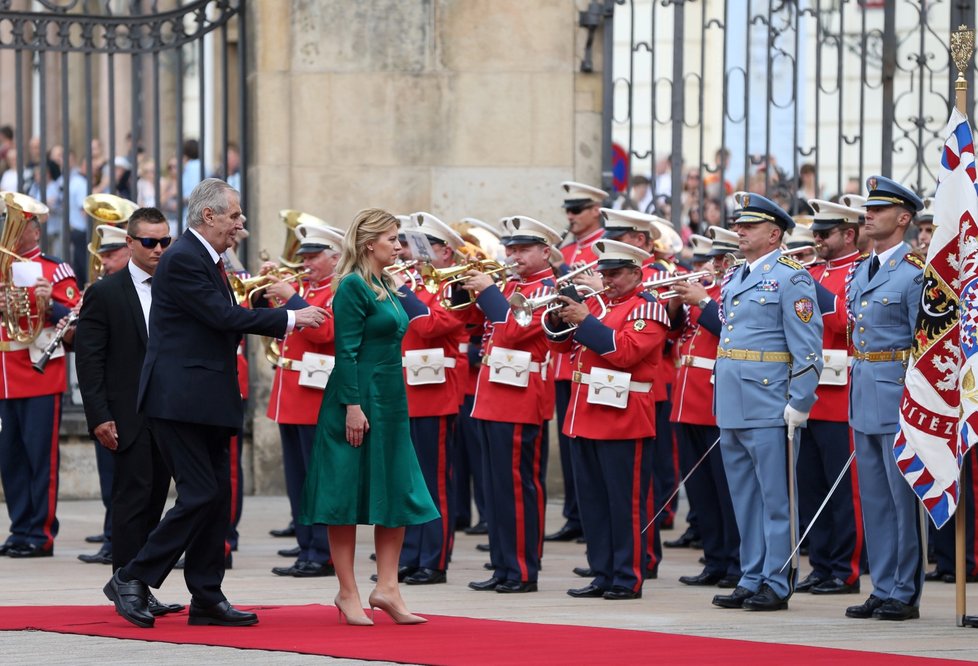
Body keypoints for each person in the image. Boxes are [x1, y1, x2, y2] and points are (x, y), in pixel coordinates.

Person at [102, 179, 327, 629]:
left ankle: (206, 596)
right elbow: (221, 317)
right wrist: (289, 317)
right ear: (209, 216)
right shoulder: (184, 257)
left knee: (216, 499)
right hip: (178, 400)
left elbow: (217, 322)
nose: (241, 225)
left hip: (205, 399)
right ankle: (132, 576)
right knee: (201, 493)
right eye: (235, 216)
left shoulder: (207, 258)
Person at [300, 208, 438, 626]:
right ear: (368, 243)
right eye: (393, 239)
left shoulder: (387, 284)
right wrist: (353, 407)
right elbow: (346, 351)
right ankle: (347, 591)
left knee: (395, 491)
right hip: (355, 397)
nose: (399, 246)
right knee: (345, 494)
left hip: (391, 399)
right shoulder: (352, 287)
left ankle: (388, 587)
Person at [710, 192, 823, 612]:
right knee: (744, 495)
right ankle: (751, 573)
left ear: (774, 233)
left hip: (770, 400)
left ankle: (777, 578)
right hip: (734, 402)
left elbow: (808, 348)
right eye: (739, 225)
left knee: (776, 497)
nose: (739, 231)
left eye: (749, 226)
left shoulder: (792, 277)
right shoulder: (736, 275)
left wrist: (800, 400)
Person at [74, 207, 183, 617]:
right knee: (131, 502)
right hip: (126, 415)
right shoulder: (105, 292)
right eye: (150, 242)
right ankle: (126, 584)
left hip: (171, 412)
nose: (159, 249)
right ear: (131, 243)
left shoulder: (176, 285)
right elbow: (89, 360)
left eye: (165, 241)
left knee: (157, 500)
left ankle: (139, 583)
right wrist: (99, 416)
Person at [547, 239, 669, 600]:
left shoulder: (647, 309)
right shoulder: (598, 306)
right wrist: (558, 317)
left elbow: (625, 352)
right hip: (585, 413)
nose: (608, 280)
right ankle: (601, 572)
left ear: (636, 272)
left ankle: (627, 576)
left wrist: (585, 319)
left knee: (624, 503)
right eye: (605, 273)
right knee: (594, 503)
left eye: (615, 274)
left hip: (624, 418)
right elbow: (559, 346)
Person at [462, 216, 560, 594]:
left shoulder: (550, 288)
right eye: (510, 249)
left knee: (518, 486)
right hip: (491, 393)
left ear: (545, 252)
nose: (513, 256)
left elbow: (515, 331)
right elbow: (474, 325)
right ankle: (503, 565)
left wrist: (488, 292)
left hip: (521, 395)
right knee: (495, 486)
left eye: (522, 249)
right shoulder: (509, 285)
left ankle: (522, 569)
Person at [844, 176, 926, 622]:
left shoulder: (915, 273)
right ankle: (883, 584)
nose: (868, 216)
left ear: (903, 218)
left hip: (898, 392)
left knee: (900, 497)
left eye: (878, 210)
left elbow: (927, 342)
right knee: (873, 497)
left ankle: (904, 589)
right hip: (863, 389)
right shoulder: (862, 270)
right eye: (867, 210)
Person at [0, 192, 80, 558]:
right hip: (5, 376)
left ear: (33, 229)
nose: (11, 230)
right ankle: (20, 528)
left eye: (18, 222)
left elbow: (77, 324)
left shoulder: (55, 270)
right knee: (11, 458)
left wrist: (52, 305)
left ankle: (40, 533)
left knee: (38, 457)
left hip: (39, 373)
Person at [793, 199, 866, 596]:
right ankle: (819, 565)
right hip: (809, 393)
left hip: (843, 395)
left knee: (844, 491)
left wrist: (810, 287)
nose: (817, 241)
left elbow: (843, 322)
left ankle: (845, 569)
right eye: (815, 234)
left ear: (848, 234)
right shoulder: (812, 272)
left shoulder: (859, 272)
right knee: (812, 487)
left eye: (824, 234)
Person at [264, 222, 341, 579]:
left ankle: (322, 552)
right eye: (304, 257)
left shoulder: (338, 289)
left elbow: (325, 332)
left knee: (317, 478)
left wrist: (291, 297)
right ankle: (306, 544)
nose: (306, 263)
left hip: (315, 396)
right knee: (297, 479)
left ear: (335, 257)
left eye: (313, 257)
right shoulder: (305, 288)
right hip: (291, 393)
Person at [395, 212, 467, 585]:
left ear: (447, 253)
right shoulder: (412, 284)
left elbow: (428, 326)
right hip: (404, 391)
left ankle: (434, 559)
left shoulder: (454, 289)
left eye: (425, 248)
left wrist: (402, 290)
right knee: (407, 481)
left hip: (435, 393)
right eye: (410, 246)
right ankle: (410, 554)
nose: (413, 255)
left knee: (434, 481)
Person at [668, 231, 741, 589]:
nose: (715, 264)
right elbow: (674, 336)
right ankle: (714, 559)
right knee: (701, 490)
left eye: (722, 259)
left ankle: (736, 562)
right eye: (715, 259)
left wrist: (702, 302)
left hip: (716, 399)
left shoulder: (736, 292)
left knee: (726, 489)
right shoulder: (707, 292)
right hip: (687, 399)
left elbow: (733, 332)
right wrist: (675, 306)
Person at [547, 181, 608, 544]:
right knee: (571, 445)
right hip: (565, 361)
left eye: (577, 209)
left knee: (590, 447)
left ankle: (589, 517)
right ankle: (575, 513)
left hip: (591, 361)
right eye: (567, 210)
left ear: (595, 210)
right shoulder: (568, 247)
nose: (570, 216)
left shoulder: (602, 250)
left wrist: (563, 267)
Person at [76, 223, 132, 566]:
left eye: (111, 255)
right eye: (104, 256)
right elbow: (88, 356)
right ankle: (114, 540)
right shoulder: (101, 292)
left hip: (146, 405)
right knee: (112, 481)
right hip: (113, 403)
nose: (105, 262)